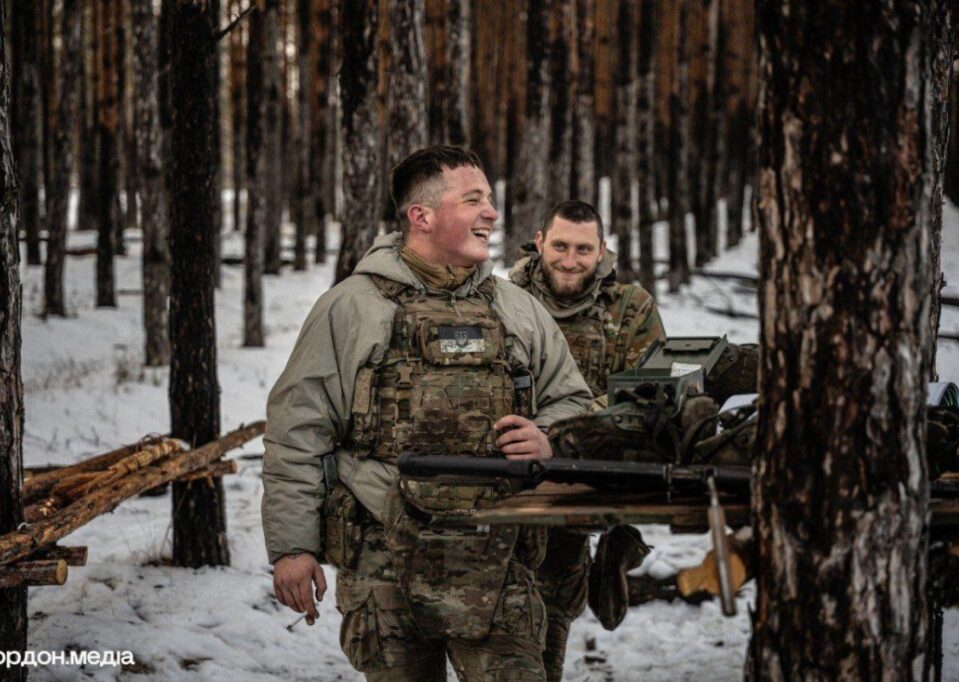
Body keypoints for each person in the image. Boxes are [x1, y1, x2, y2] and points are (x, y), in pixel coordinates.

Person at [262, 146, 592, 681]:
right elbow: (297, 433)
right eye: (474, 200)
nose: (492, 212)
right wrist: (293, 547)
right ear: (423, 216)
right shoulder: (352, 308)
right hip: (384, 558)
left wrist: (549, 436)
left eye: (489, 199)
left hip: (498, 557)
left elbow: (573, 399)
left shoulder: (517, 308)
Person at [508, 200, 665, 681]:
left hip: (575, 494)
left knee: (551, 621)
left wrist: (561, 436)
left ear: (601, 251)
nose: (569, 260)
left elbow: (649, 396)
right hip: (501, 484)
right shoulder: (501, 299)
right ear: (539, 242)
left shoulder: (629, 308)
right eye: (559, 246)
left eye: (583, 249)